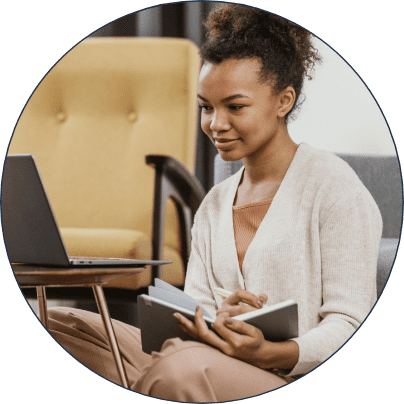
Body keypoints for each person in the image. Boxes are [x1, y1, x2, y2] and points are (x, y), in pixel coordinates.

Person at [48, 4, 382, 402]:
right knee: (57, 325)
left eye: (235, 107)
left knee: (177, 368)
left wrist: (273, 351)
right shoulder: (215, 203)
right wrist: (214, 322)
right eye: (206, 107)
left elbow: (351, 324)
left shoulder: (335, 190)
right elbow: (197, 312)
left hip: (287, 375)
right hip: (210, 360)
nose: (215, 124)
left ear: (284, 101)